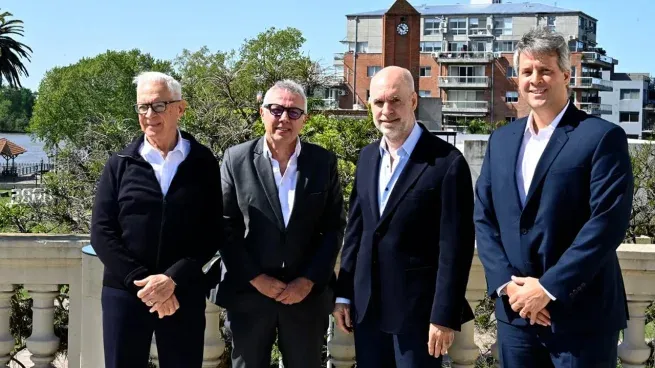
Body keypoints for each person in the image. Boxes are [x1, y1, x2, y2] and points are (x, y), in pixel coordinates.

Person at [474, 27, 634, 367]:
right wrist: (508, 287)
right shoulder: (501, 142)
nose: (536, 79)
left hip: (580, 319)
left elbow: (606, 223)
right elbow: (484, 218)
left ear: (565, 74)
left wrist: (546, 289)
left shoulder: (602, 137)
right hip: (516, 317)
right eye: (528, 71)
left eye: (545, 70)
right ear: (517, 79)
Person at [332, 66, 475, 368]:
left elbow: (456, 249)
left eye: (395, 101)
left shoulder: (447, 163)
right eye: (378, 102)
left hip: (419, 316)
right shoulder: (368, 157)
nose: (386, 110)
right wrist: (344, 294)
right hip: (367, 309)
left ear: (413, 101)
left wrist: (444, 316)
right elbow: (356, 232)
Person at [91, 71, 223, 368]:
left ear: (180, 108)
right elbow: (101, 232)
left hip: (183, 292)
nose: (149, 114)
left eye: (159, 105)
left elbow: (211, 232)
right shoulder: (120, 164)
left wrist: (171, 280)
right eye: (142, 107)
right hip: (125, 293)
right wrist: (146, 286)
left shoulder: (203, 162)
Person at [213, 79, 346, 368]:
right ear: (262, 113)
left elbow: (334, 227)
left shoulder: (322, 162)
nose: (284, 118)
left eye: (293, 112)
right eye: (276, 110)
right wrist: (256, 279)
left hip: (305, 298)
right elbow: (225, 227)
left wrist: (308, 281)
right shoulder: (236, 159)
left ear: (304, 119)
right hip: (249, 295)